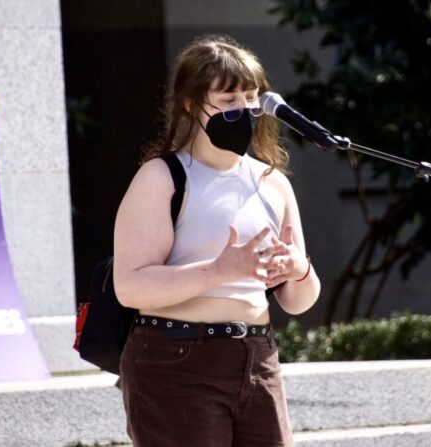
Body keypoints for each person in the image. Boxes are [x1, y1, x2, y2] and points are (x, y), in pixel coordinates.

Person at [113, 34, 321, 447]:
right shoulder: (162, 177)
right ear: (191, 104)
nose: (242, 109)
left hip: (257, 356)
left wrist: (299, 269)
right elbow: (130, 286)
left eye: (250, 97)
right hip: (177, 356)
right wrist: (219, 271)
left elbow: (298, 300)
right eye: (227, 100)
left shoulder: (272, 182)